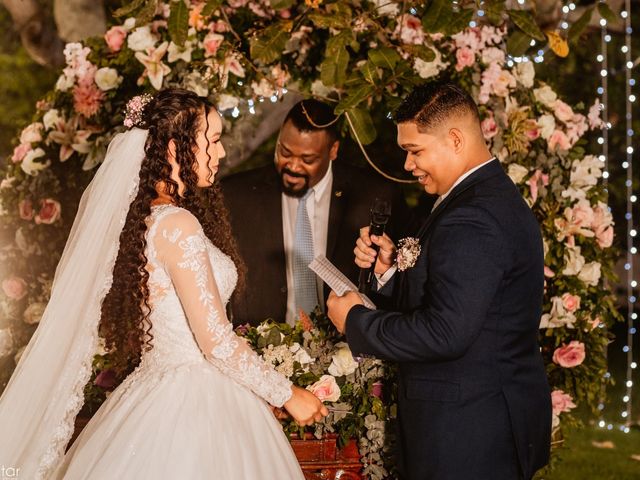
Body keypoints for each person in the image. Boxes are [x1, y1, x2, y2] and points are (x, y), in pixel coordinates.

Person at [0, 88, 327, 479]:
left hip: (156, 390)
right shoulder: (177, 224)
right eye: (214, 141)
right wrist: (288, 394)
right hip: (193, 400)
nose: (221, 154)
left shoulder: (150, 220)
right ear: (175, 148)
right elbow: (216, 343)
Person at [327, 82, 552, 480]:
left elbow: (447, 331)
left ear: (454, 139)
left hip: (470, 432)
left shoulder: (474, 217)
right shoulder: (480, 197)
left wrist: (356, 321)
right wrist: (389, 270)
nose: (408, 166)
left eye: (415, 151)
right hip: (476, 419)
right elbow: (463, 301)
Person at [222, 99, 408, 326]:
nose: (292, 166)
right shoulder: (235, 194)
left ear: (333, 151)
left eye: (307, 159)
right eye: (285, 152)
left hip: (345, 348)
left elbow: (400, 287)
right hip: (260, 345)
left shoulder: (374, 195)